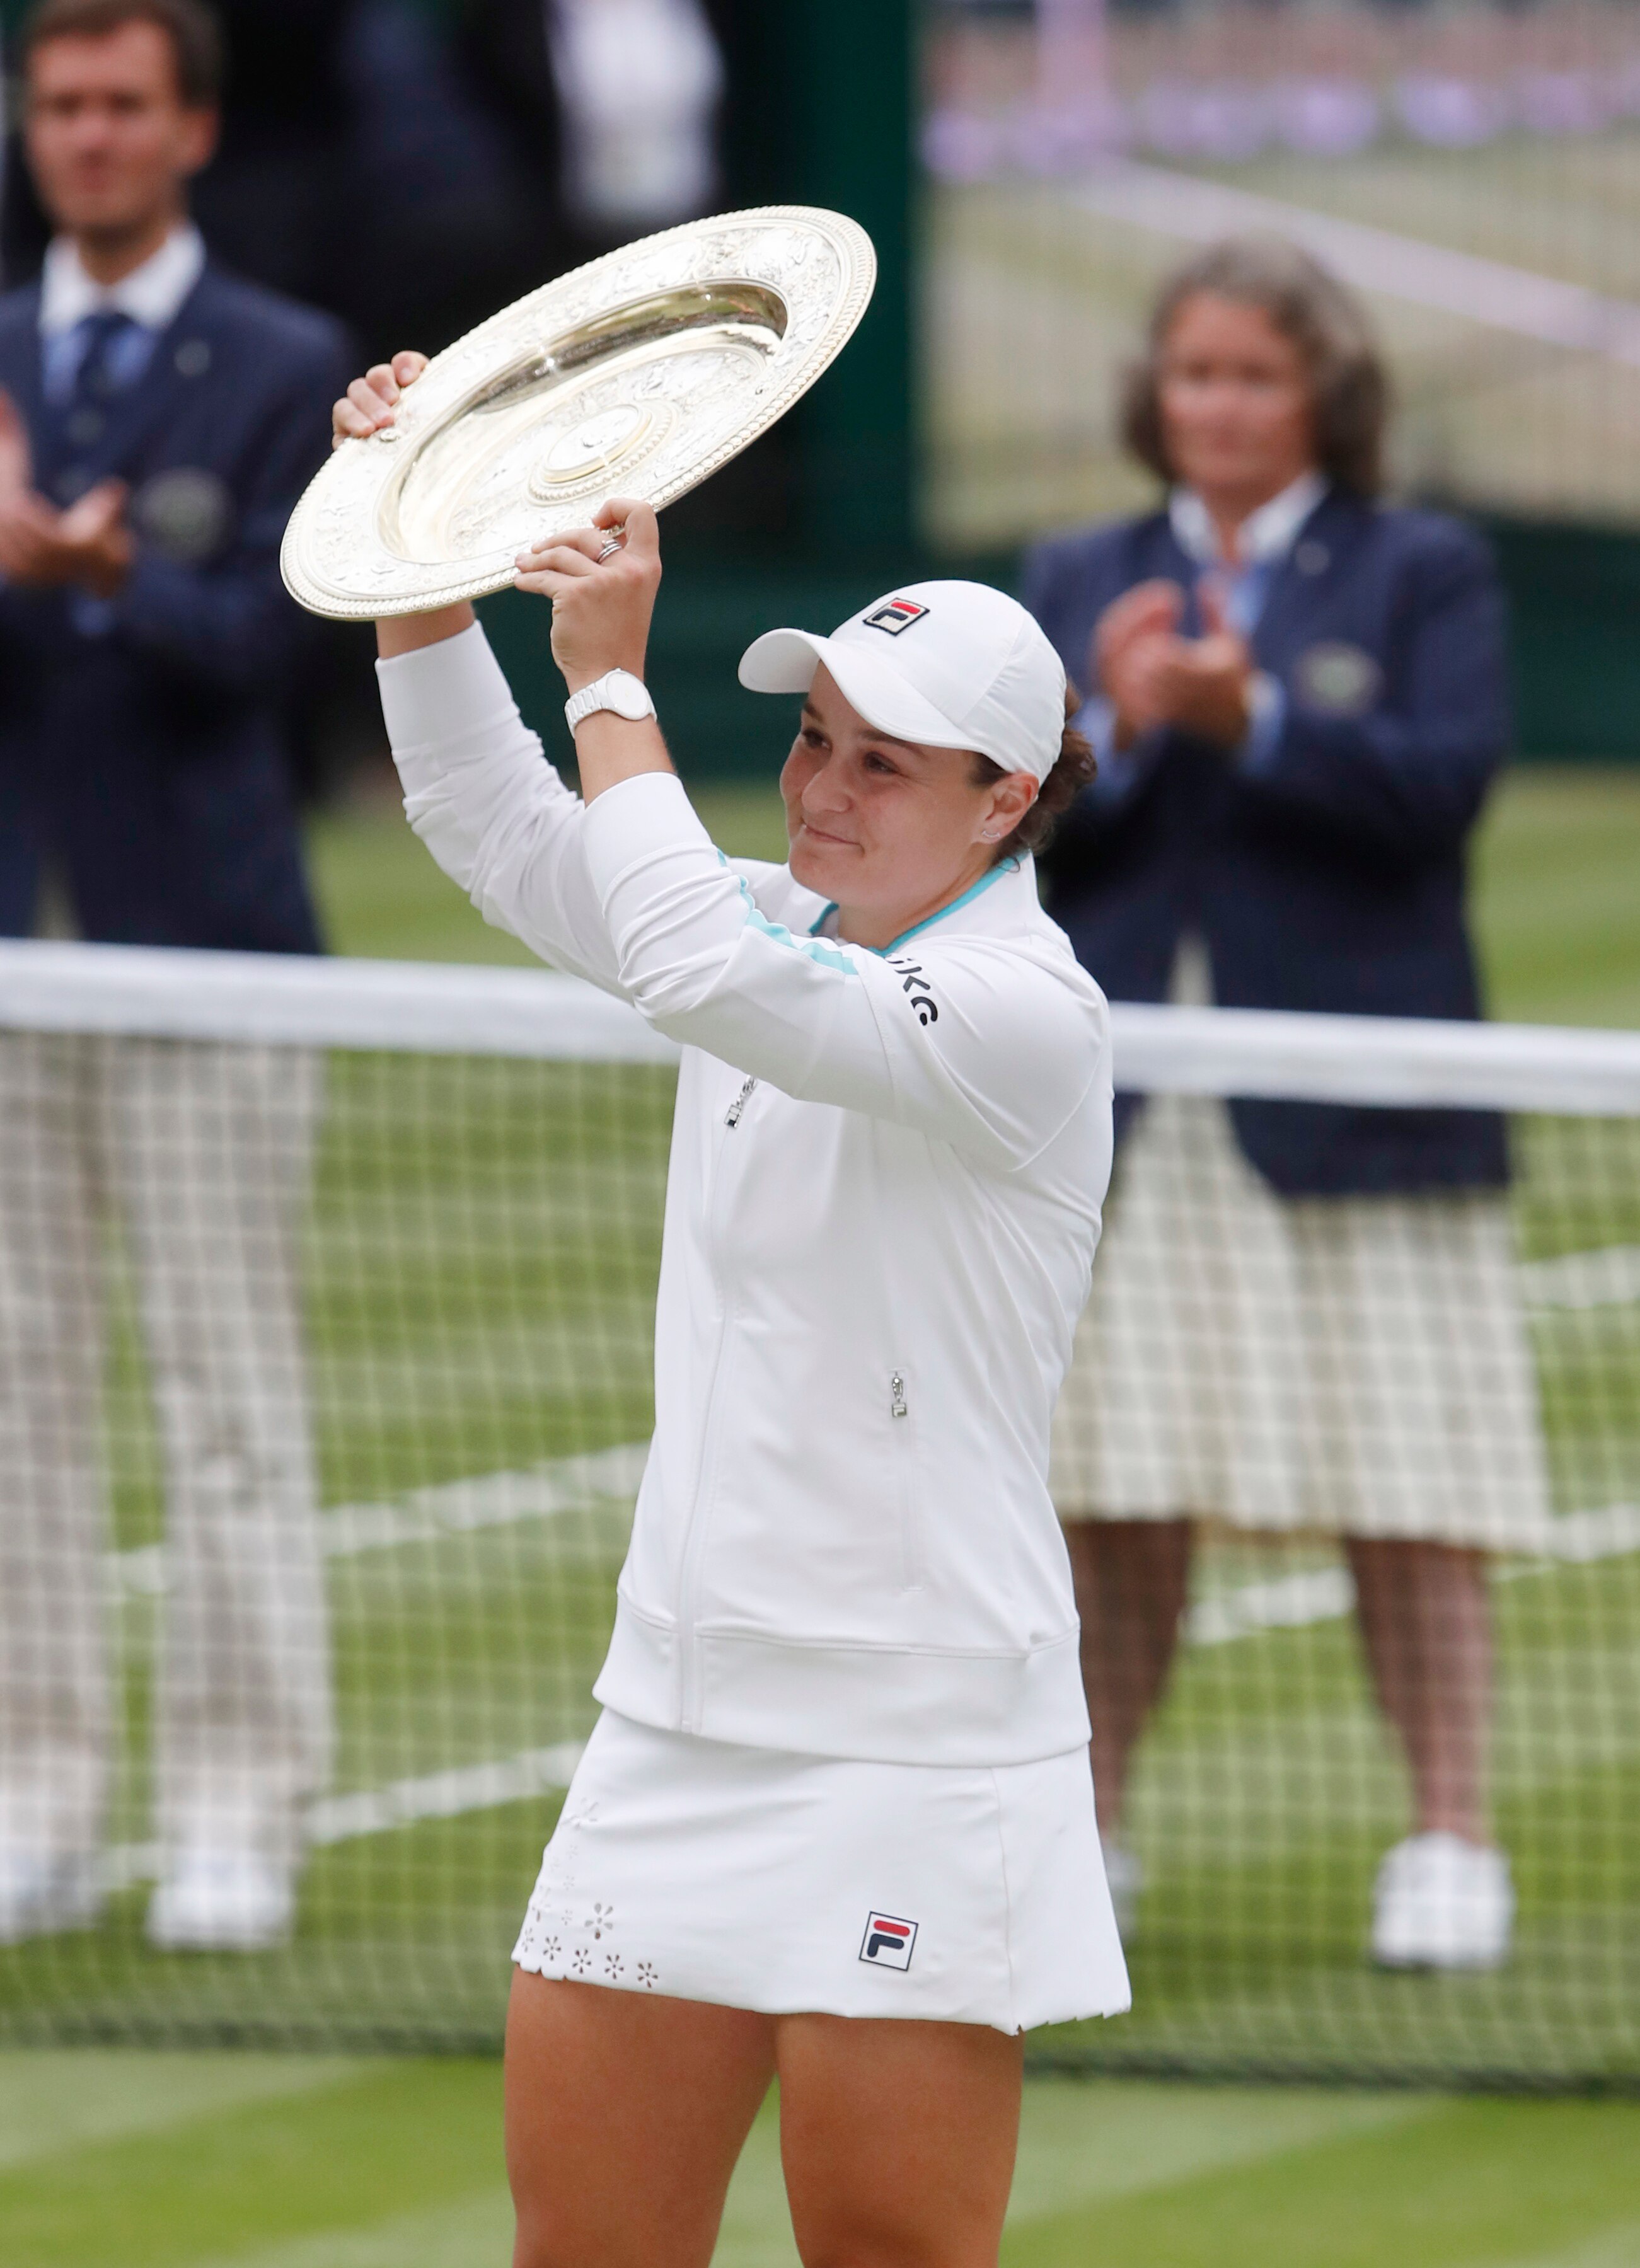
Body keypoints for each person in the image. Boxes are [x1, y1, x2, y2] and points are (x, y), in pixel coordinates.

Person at [338, 345, 1127, 2267]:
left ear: (1003, 800)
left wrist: (609, 672)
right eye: (813, 739)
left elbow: (684, 956)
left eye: (882, 761)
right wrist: (420, 551)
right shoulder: (776, 934)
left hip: (918, 1746)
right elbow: (487, 813)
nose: (824, 788)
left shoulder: (1022, 1015)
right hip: (677, 1716)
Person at [1024, 235, 1549, 1972]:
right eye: (1193, 374)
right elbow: (1005, 825)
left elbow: (1438, 792)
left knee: (1405, 1484)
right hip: (1126, 1107)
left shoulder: (1420, 570)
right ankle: (1082, 1832)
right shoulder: (1075, 567)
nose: (1220, 406)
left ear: (1319, 393)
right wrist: (1110, 721)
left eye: (1253, 375)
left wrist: (1249, 720)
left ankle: (1449, 1837)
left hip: (1355, 1100)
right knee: (1113, 1491)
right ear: (1152, 396)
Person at [0, 0, 349, 1951]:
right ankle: (37, 1795)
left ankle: (238, 1807)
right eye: (62, 106)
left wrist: (109, 578)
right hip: (9, 956)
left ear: (191, 128)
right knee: (16, 1389)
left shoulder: (290, 365)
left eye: (125, 104)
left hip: (207, 950)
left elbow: (287, 651)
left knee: (225, 1392)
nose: (92, 138)